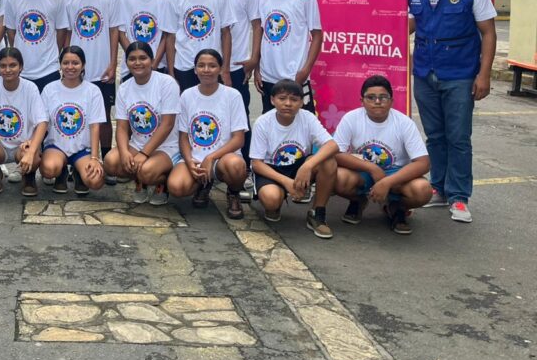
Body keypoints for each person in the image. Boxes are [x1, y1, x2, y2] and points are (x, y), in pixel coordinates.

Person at [409, 0, 496, 223]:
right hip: (425, 73)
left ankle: (459, 196)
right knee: (435, 135)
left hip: (460, 74)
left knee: (458, 137)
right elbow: (406, 26)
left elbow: (488, 33)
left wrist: (484, 74)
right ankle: (438, 187)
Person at [333, 75, 433, 234]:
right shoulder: (351, 118)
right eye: (371, 97)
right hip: (364, 171)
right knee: (337, 177)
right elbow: (336, 153)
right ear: (362, 101)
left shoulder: (404, 123)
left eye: (383, 97)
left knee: (423, 190)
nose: (377, 101)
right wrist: (371, 168)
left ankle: (397, 207)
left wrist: (387, 182)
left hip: (396, 173)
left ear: (391, 101)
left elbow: (423, 163)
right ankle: (358, 200)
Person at [249, 78, 338, 239]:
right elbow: (256, 164)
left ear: (301, 102)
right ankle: (277, 201)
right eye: (282, 98)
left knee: (329, 162)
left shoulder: (308, 117)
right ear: (272, 100)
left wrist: (307, 166)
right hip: (272, 169)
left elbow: (332, 145)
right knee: (271, 199)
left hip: (299, 165)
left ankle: (317, 213)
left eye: (294, 99)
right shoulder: (263, 122)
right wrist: (286, 182)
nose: (288, 104)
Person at [169, 49, 248, 219]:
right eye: (201, 66)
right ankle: (203, 184)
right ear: (195, 69)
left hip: (223, 158)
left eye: (212, 66)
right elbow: (183, 136)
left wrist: (211, 157)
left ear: (220, 69)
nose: (206, 70)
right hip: (196, 158)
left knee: (236, 166)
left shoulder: (233, 95)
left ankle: (233, 193)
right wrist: (189, 161)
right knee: (176, 187)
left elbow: (239, 139)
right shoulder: (187, 95)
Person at [63, 0, 121, 159]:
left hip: (102, 69)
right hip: (76, 69)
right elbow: (68, 33)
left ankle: (105, 157)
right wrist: (65, 63)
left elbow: (114, 31)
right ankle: (76, 156)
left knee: (103, 116)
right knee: (75, 113)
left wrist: (113, 63)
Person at [106, 42, 181, 205]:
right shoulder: (124, 88)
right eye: (132, 59)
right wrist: (124, 152)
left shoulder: (167, 83)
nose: (137, 63)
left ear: (152, 61)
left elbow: (167, 124)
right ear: (126, 62)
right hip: (138, 143)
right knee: (111, 163)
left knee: (146, 171)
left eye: (143, 58)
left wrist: (144, 154)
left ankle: (162, 182)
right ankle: (141, 180)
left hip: (166, 145)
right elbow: (122, 127)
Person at [250, 0, 322, 115]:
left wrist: (305, 71)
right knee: (271, 121)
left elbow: (317, 35)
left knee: (302, 122)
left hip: (295, 76)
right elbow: (262, 33)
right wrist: (258, 68)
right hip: (268, 76)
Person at [0, 48, 48, 197]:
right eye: (3, 66)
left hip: (23, 144)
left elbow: (42, 123)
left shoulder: (30, 88)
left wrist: (32, 150)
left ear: (21, 67)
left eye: (13, 65)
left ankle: (29, 177)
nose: (7, 70)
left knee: (33, 155)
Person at [211, 0, 260, 171]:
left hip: (237, 64)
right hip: (210, 66)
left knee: (240, 117)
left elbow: (257, 25)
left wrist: (254, 58)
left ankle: (246, 166)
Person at [39, 46, 106, 195]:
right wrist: (33, 147)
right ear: (60, 65)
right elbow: (42, 123)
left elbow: (95, 126)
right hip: (56, 146)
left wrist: (95, 158)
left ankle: (77, 171)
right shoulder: (49, 89)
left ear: (83, 65)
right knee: (49, 169)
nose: (70, 67)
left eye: (75, 63)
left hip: (82, 149)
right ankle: (61, 171)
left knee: (95, 181)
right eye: (66, 63)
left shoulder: (93, 91)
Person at [169, 0, 234, 94]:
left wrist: (225, 69)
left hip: (212, 65)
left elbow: (226, 33)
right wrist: (171, 71)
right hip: (184, 65)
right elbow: (170, 37)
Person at [3, 0, 69, 93]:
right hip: (22, 70)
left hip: (49, 69)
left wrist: (52, 54)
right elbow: (11, 32)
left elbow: (61, 32)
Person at [118, 0, 175, 79]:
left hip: (158, 65)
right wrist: (134, 57)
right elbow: (121, 34)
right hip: (131, 67)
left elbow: (166, 35)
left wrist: (153, 64)